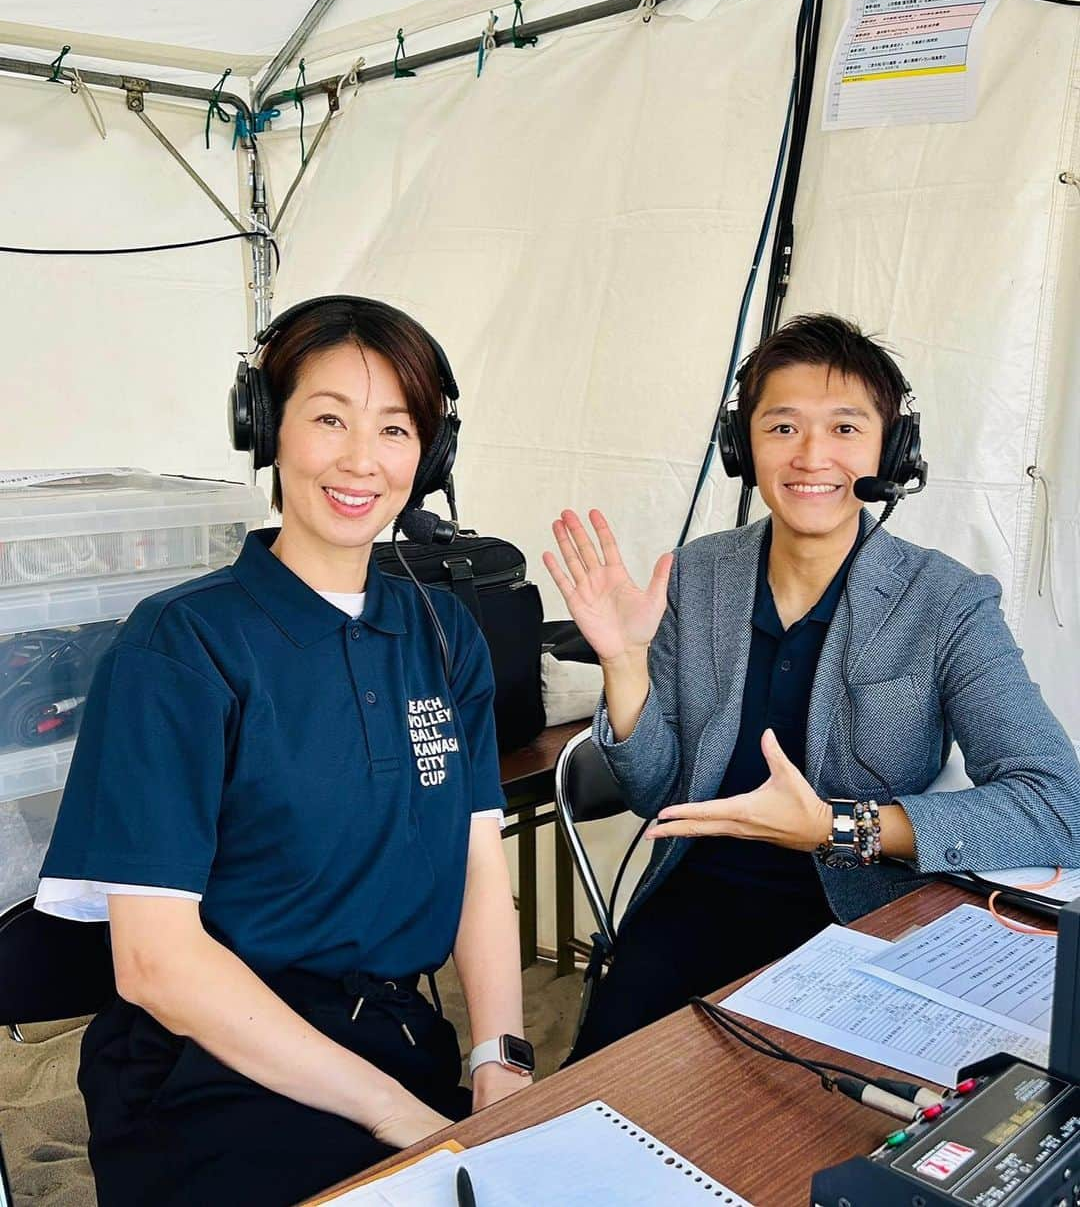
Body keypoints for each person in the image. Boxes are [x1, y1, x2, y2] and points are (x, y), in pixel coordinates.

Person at [35, 296, 534, 1206]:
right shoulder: (178, 648)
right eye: (328, 418)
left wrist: (500, 1056)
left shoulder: (443, 631)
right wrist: (399, 1114)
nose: (360, 460)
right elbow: (156, 965)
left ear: (431, 455)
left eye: (394, 428)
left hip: (390, 1031)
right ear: (265, 427)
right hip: (208, 1068)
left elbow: (475, 864)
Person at [545, 313, 1080, 1062]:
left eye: (845, 429)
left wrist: (837, 827)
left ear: (892, 450)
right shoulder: (698, 575)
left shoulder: (945, 602)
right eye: (783, 427)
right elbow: (656, 792)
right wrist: (624, 665)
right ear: (744, 447)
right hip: (692, 906)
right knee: (596, 1098)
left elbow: (1060, 806)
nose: (812, 457)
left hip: (866, 922)